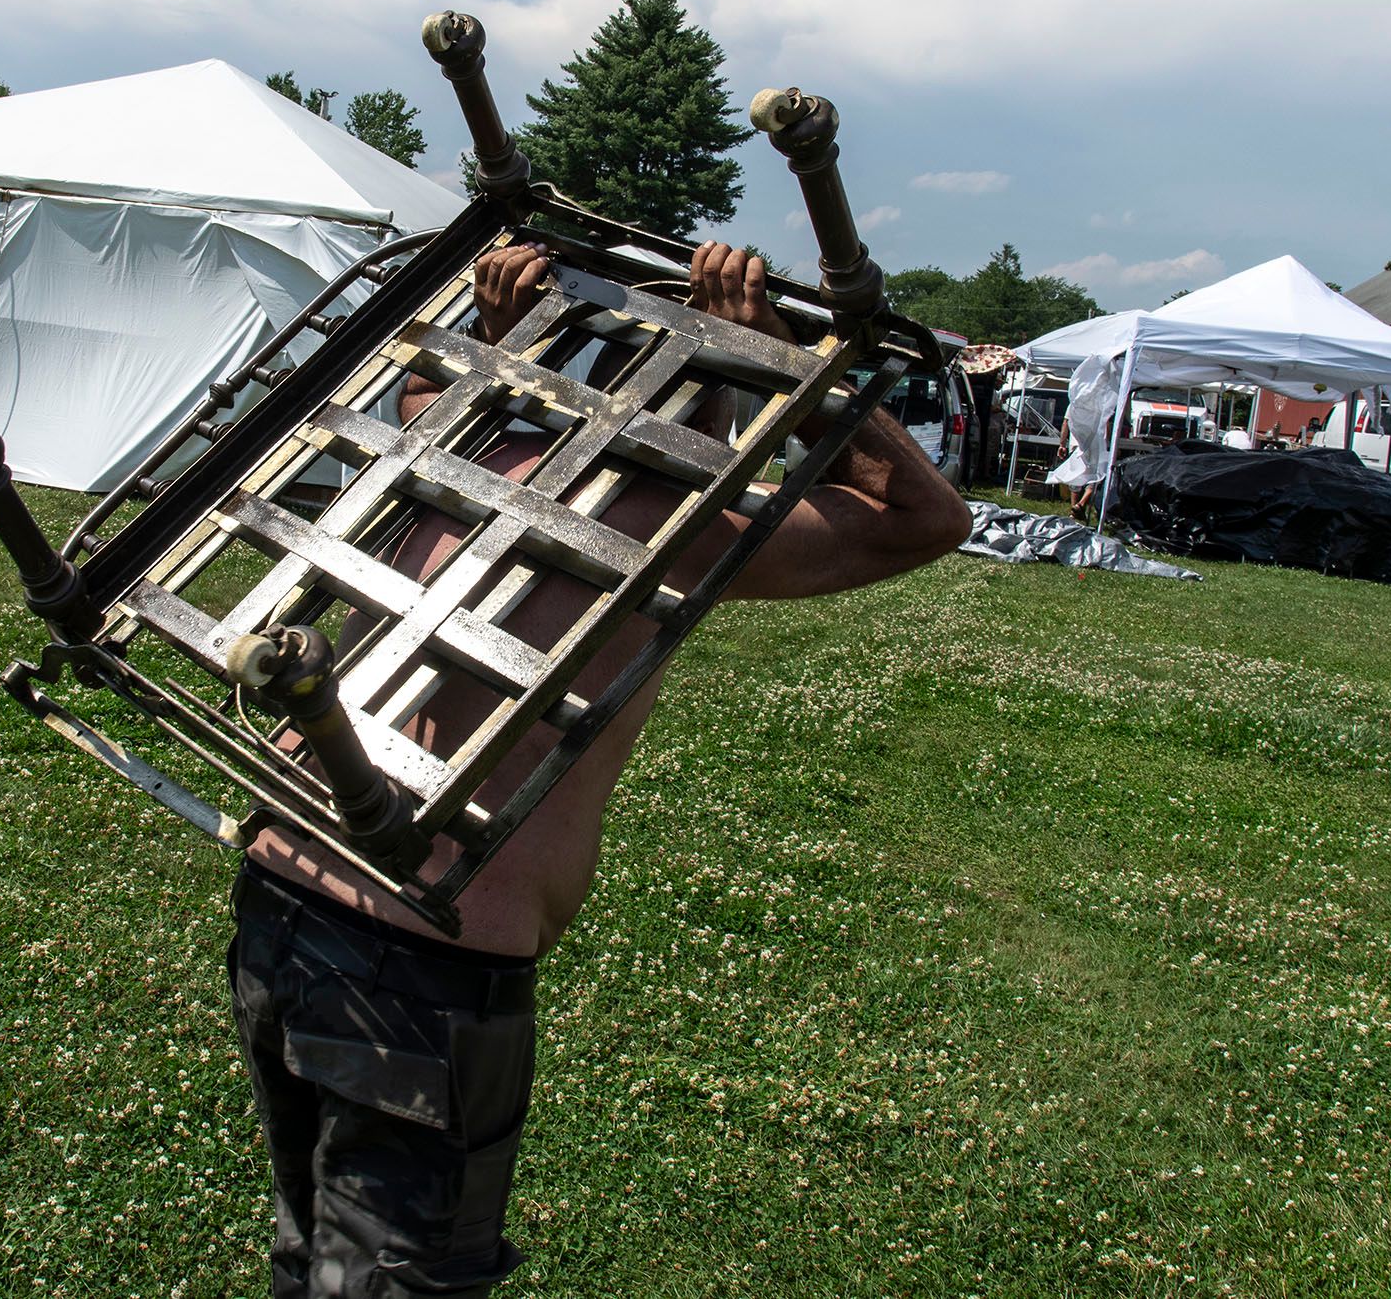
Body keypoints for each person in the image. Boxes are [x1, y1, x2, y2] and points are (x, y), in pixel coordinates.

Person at [227, 241, 971, 1297]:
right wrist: (805, 374)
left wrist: (487, 327)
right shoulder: (669, 527)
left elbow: (425, 382)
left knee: (308, 1255)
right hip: (424, 966)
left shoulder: (451, 455)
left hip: (282, 893)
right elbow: (928, 519)